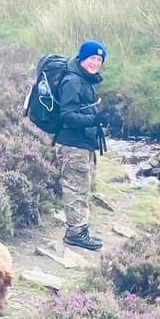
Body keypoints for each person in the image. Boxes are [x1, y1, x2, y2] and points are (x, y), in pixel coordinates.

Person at [54, 40, 108, 251]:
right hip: (73, 144)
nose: (95, 63)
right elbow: (67, 116)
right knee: (75, 187)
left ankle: (79, 229)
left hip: (83, 144)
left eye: (99, 59)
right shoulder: (74, 81)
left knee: (82, 186)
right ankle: (75, 233)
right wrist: (93, 120)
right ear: (82, 58)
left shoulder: (86, 81)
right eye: (92, 58)